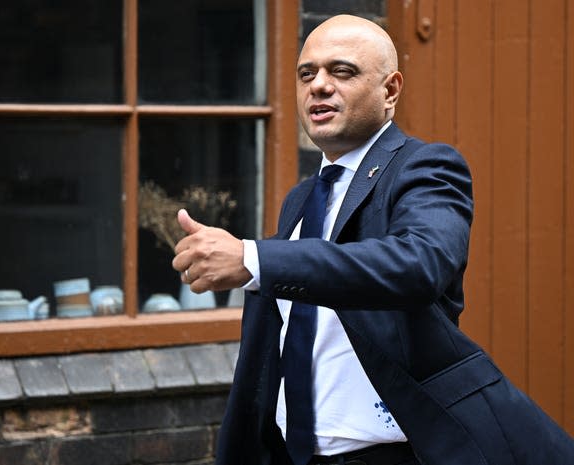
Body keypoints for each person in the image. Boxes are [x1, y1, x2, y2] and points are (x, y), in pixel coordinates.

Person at [172, 14, 574, 465]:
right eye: (307, 74)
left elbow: (418, 264)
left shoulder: (426, 168)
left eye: (341, 72)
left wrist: (253, 258)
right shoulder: (302, 199)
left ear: (391, 90)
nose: (318, 86)